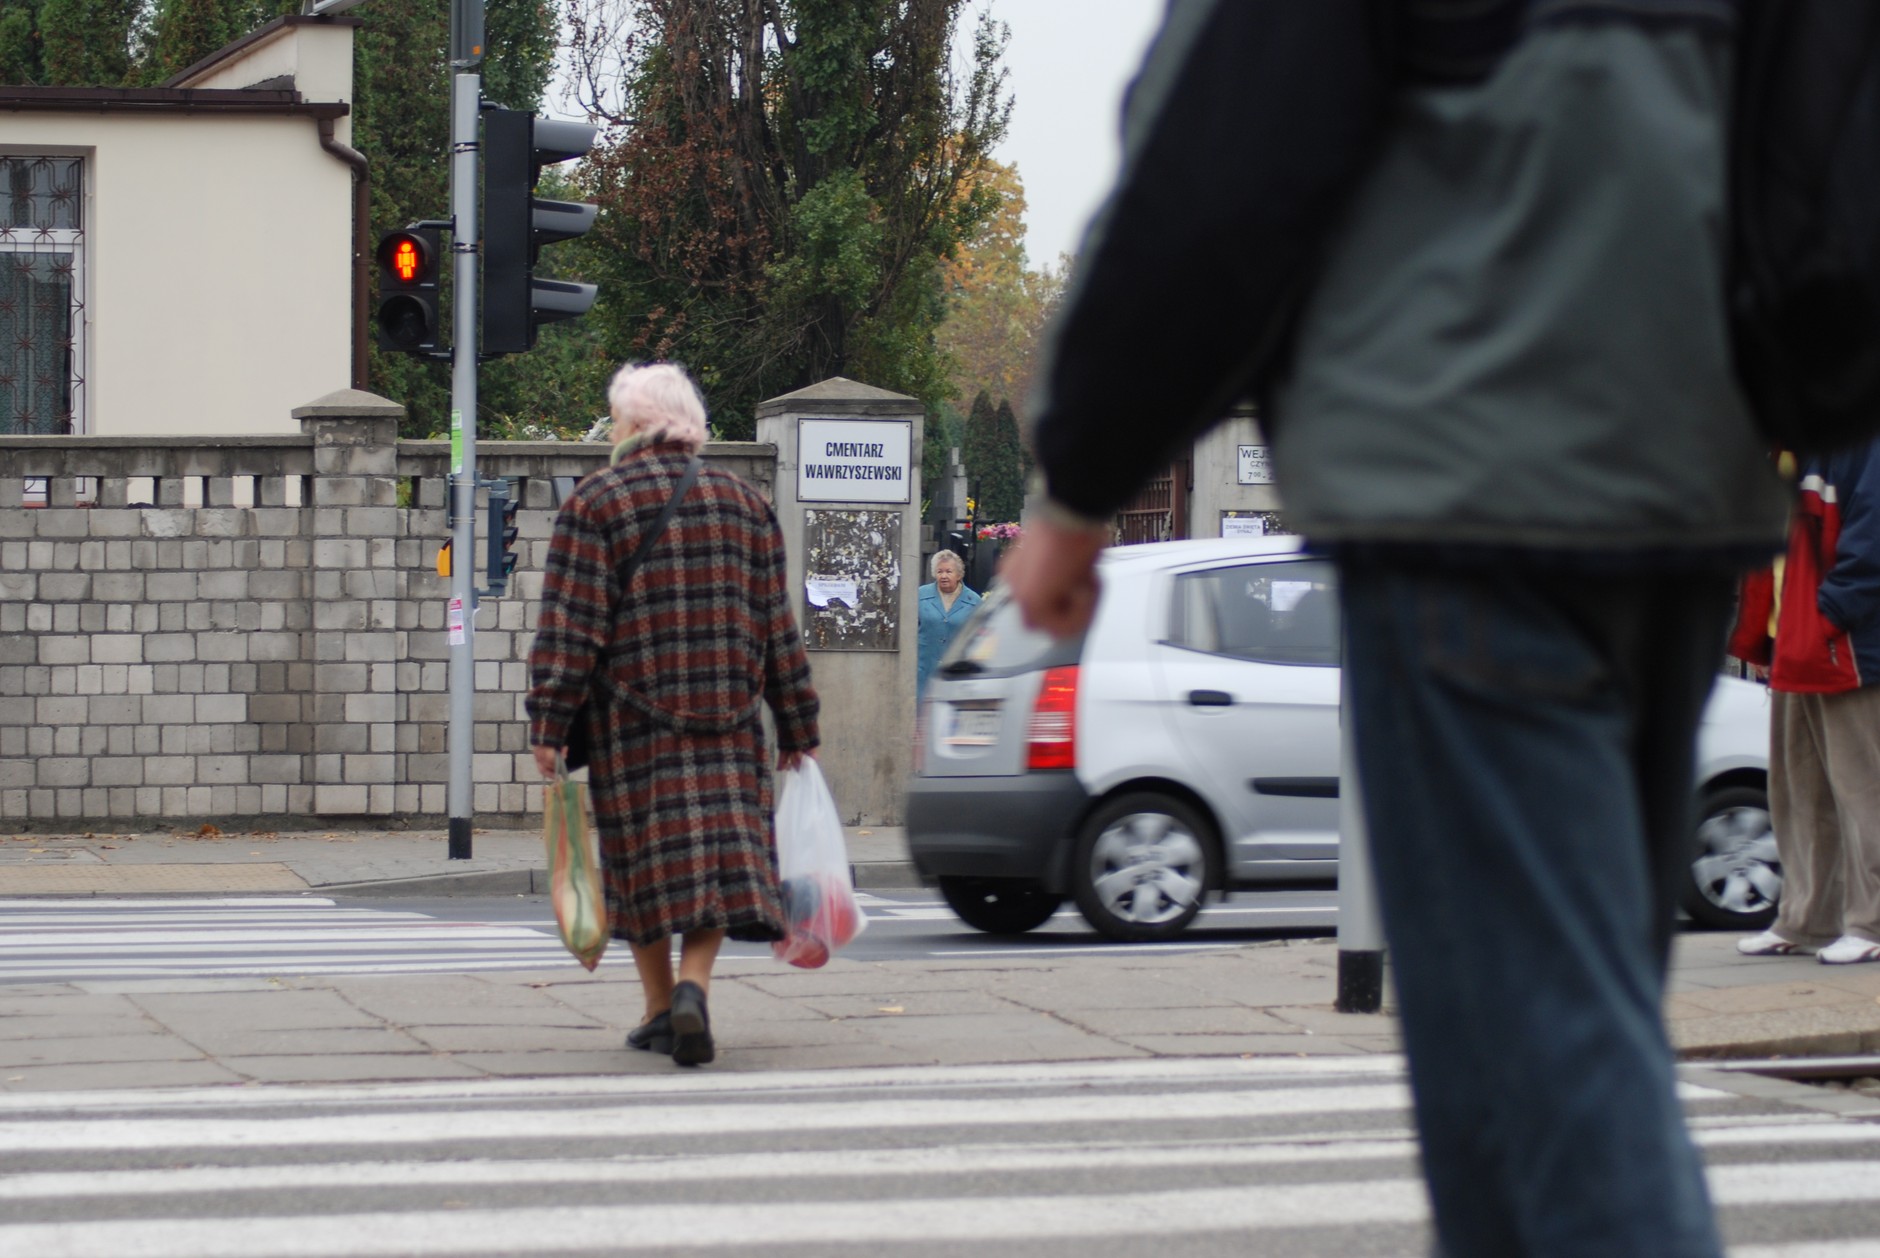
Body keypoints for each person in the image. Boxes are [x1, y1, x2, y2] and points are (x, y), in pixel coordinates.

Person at [1002, 3, 1792, 1255]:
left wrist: (1079, 475)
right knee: (1516, 1053)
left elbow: (1221, 175)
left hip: (1469, 487)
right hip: (1684, 490)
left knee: (1550, 1054)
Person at [526, 362, 820, 1068]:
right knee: (717, 868)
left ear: (634, 425)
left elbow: (572, 630)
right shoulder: (746, 503)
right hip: (730, 721)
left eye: (615, 420)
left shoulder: (596, 503)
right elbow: (778, 626)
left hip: (633, 724)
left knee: (643, 869)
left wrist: (550, 724)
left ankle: (660, 1006)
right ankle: (688, 991)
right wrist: (798, 725)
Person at [1734, 440, 1880, 965]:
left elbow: (1872, 542)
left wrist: (1826, 618)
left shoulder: (1859, 439)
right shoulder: (1785, 449)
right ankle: (1805, 917)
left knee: (1864, 789)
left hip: (1844, 645)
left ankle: (1872, 923)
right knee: (1799, 792)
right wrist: (1768, 637)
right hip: (1795, 642)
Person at [916, 549, 980, 695]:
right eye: (939, 571)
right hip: (924, 670)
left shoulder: (973, 601)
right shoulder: (920, 595)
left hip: (956, 672)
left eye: (949, 571)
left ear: (959, 575)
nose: (943, 576)